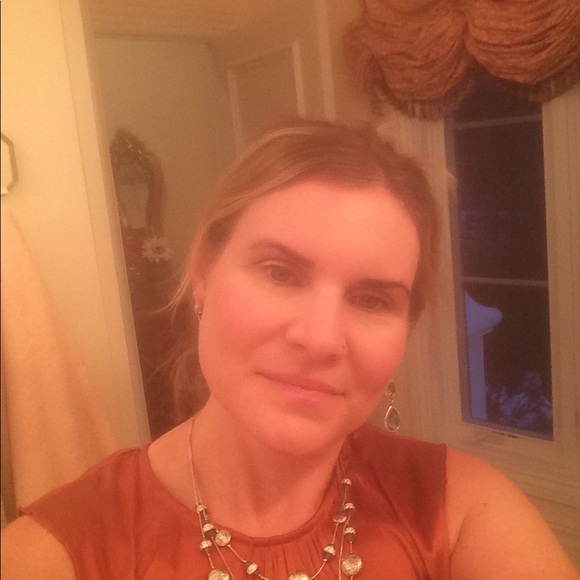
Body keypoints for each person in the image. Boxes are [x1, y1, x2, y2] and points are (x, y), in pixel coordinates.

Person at [2, 119, 577, 579]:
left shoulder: (461, 509)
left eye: (372, 300)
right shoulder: (60, 551)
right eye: (280, 272)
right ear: (202, 274)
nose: (321, 339)